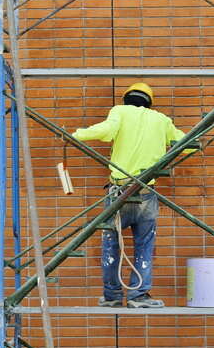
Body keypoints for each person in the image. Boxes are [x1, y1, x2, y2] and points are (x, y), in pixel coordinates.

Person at [72, 82, 192, 308]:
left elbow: (105, 131)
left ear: (127, 99)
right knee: (144, 245)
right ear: (149, 102)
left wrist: (76, 135)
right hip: (146, 191)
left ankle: (112, 296)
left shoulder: (120, 111)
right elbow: (188, 144)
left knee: (111, 245)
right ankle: (139, 296)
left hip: (119, 191)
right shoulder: (161, 120)